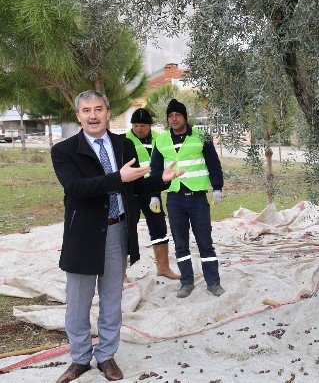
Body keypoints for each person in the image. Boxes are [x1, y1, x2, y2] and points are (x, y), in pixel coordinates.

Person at [51, 91, 183, 383]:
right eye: (86, 110)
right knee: (78, 302)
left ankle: (107, 356)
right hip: (84, 235)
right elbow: (77, 188)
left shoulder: (122, 144)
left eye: (98, 109)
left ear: (108, 112)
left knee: (111, 299)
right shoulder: (64, 151)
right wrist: (118, 178)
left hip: (117, 230)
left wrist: (159, 181)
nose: (93, 115)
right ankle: (80, 359)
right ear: (78, 116)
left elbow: (130, 188)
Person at [150, 98, 225, 298]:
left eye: (178, 115)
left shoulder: (201, 137)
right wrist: (154, 195)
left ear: (185, 117)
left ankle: (213, 282)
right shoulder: (161, 140)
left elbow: (213, 164)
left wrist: (217, 187)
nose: (174, 119)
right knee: (180, 243)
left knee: (204, 241)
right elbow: (156, 171)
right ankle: (186, 282)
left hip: (197, 199)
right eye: (171, 116)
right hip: (174, 199)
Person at [125, 108, 180, 280]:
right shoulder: (124, 140)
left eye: (142, 125)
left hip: (152, 191)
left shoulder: (160, 139)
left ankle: (163, 268)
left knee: (158, 226)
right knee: (125, 230)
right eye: (136, 125)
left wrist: (156, 192)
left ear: (150, 126)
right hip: (131, 192)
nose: (139, 129)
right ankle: (120, 273)